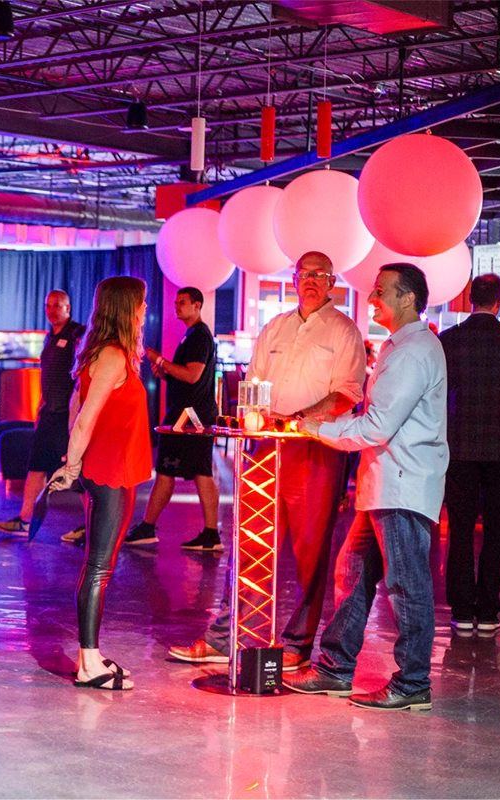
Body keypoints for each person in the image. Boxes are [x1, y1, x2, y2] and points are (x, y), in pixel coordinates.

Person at [169, 251, 364, 671]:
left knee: (311, 551)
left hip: (316, 448)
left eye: (319, 275)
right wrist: (252, 421)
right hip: (265, 447)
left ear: (332, 282)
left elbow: (348, 393)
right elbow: (252, 384)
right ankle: (224, 636)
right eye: (304, 274)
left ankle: (297, 643)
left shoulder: (344, 330)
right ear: (294, 279)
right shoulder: (275, 326)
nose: (310, 280)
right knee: (250, 541)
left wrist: (298, 419)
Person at [286, 263, 448, 711]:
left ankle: (412, 683)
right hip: (387, 486)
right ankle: (335, 668)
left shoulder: (414, 351)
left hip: (402, 486)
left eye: (381, 291)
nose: (372, 298)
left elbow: (379, 425)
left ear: (408, 298)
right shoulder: (403, 348)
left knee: (406, 586)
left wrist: (319, 428)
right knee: (354, 574)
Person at [46, 276, 152, 691]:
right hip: (107, 471)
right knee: (98, 568)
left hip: (114, 468)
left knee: (99, 567)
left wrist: (75, 461)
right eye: (141, 304)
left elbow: (78, 406)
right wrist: (72, 468)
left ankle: (91, 655)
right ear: (127, 308)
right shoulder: (110, 355)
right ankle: (88, 663)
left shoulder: (110, 353)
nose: (145, 311)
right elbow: (84, 416)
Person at [440, 274, 500, 634]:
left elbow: (441, 391)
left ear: (470, 299)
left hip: (459, 443)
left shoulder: (449, 340)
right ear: (499, 301)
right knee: (496, 529)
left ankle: (461, 609)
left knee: (459, 528)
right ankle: (489, 610)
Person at [125, 286, 220, 550]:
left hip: (189, 417)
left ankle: (151, 527)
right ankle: (207, 534)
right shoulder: (192, 335)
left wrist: (162, 361)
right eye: (176, 302)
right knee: (189, 471)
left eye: (183, 302)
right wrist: (166, 374)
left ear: (197, 305)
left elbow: (192, 375)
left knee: (181, 471)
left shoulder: (199, 336)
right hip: (188, 415)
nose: (177, 306)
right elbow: (188, 377)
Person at [0, 290, 86, 537]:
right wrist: (40, 406)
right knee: (36, 466)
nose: (52, 311)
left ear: (68, 307)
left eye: (57, 306)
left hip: (69, 416)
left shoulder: (79, 334)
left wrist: (78, 415)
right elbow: (48, 376)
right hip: (49, 413)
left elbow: (82, 375)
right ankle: (25, 520)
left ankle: (93, 527)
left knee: (78, 472)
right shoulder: (49, 337)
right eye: (48, 306)